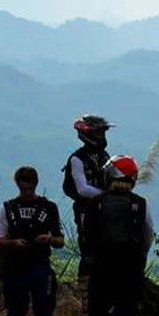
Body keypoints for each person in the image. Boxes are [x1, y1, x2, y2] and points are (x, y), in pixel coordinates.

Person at [0, 166, 64, 316]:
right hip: (15, 267)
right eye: (24, 188)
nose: (27, 192)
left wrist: (48, 239)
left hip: (40, 265)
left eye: (30, 188)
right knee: (15, 313)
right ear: (18, 185)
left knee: (44, 311)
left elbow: (60, 241)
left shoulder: (48, 208)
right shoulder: (8, 208)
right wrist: (13, 243)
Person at [86, 155, 154, 316]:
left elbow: (88, 234)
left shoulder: (96, 202)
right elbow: (147, 236)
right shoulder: (139, 204)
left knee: (97, 314)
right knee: (125, 314)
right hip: (129, 268)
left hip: (101, 267)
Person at [62, 115, 113, 278]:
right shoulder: (77, 159)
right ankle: (85, 284)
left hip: (104, 208)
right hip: (86, 209)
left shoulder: (104, 156)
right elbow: (82, 189)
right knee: (88, 247)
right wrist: (107, 194)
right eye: (99, 134)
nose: (102, 137)